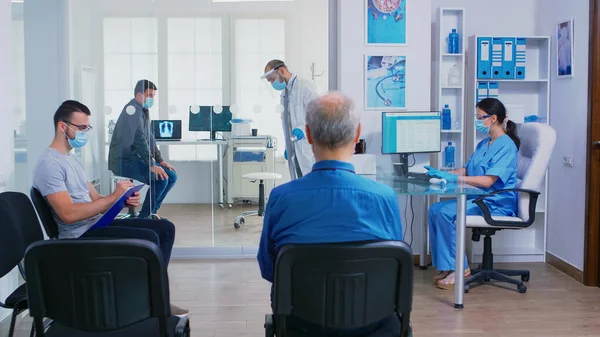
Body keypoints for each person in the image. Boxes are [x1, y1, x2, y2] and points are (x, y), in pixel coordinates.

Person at [257, 92, 403, 336]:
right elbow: (396, 267)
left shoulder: (282, 198)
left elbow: (269, 269)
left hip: (301, 325)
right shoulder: (384, 197)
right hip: (374, 324)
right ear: (357, 135)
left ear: (309, 134)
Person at [32, 100, 188, 315]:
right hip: (80, 236)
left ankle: (153, 298)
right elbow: (68, 215)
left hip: (95, 224)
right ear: (62, 126)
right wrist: (113, 197)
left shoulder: (70, 160)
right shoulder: (49, 164)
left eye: (88, 127)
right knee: (149, 239)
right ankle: (147, 303)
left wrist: (120, 200)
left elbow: (97, 200)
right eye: (81, 128)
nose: (86, 132)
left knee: (165, 228)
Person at [425, 97, 519, 290]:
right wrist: (443, 174)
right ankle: (447, 266)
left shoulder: (507, 147)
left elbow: (488, 181)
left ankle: (459, 268)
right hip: (478, 199)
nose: (477, 120)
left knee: (445, 213)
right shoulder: (484, 144)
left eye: (479, 117)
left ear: (493, 118)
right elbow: (467, 170)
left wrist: (455, 180)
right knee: (435, 209)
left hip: (495, 203)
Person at [108, 79, 177, 218]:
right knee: (161, 178)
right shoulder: (132, 110)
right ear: (140, 95)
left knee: (171, 176)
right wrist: (151, 164)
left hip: (136, 158)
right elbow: (139, 138)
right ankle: (143, 218)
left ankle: (151, 212)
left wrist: (160, 160)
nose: (152, 99)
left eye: (153, 96)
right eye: (150, 95)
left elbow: (149, 137)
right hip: (123, 161)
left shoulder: (143, 110)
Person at [261, 60, 319, 180]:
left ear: (281, 71)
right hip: (295, 149)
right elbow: (288, 123)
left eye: (272, 79)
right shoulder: (285, 94)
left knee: (311, 184)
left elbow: (319, 114)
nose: (272, 83)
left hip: (308, 148)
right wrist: (289, 145)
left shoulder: (305, 86)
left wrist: (303, 129)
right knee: (299, 184)